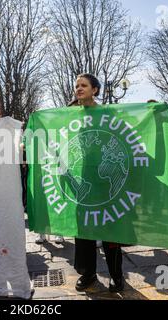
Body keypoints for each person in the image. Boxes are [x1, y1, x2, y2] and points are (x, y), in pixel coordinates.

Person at [71, 73, 124, 293]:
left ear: (95, 90)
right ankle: (88, 273)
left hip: (105, 175)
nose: (78, 89)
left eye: (83, 85)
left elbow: (123, 136)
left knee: (110, 227)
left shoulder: (107, 114)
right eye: (76, 86)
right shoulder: (69, 116)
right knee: (84, 227)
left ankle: (116, 275)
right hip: (84, 176)